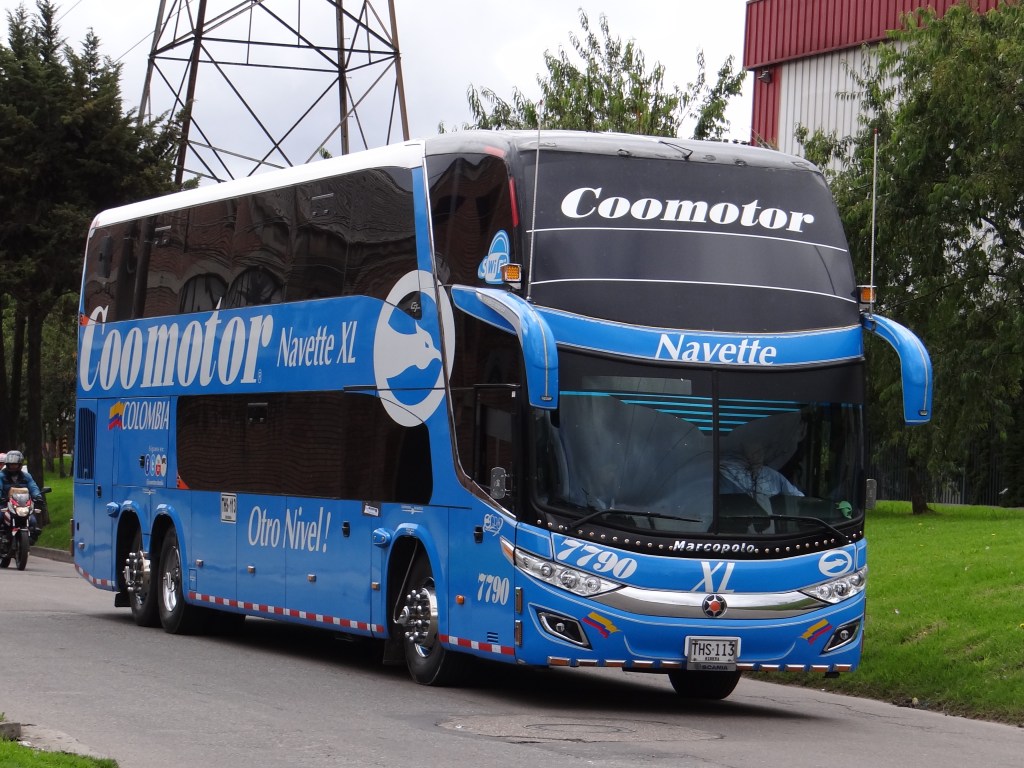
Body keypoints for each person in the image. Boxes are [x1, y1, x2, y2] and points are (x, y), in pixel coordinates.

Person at [719, 444, 802, 514]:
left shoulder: (771, 475)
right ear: (746, 455)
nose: (758, 456)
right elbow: (727, 502)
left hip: (768, 522)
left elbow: (795, 494)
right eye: (754, 453)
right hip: (742, 522)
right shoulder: (731, 474)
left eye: (760, 452)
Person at [1, 450, 44, 543]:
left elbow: (33, 487)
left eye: (15, 464)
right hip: (4, 504)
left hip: (22, 505)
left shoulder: (26, 476)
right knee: (0, 516)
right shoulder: (1, 476)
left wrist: (38, 496)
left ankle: (31, 536)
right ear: (7, 464)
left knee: (32, 521)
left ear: (20, 464)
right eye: (11, 464)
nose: (13, 467)